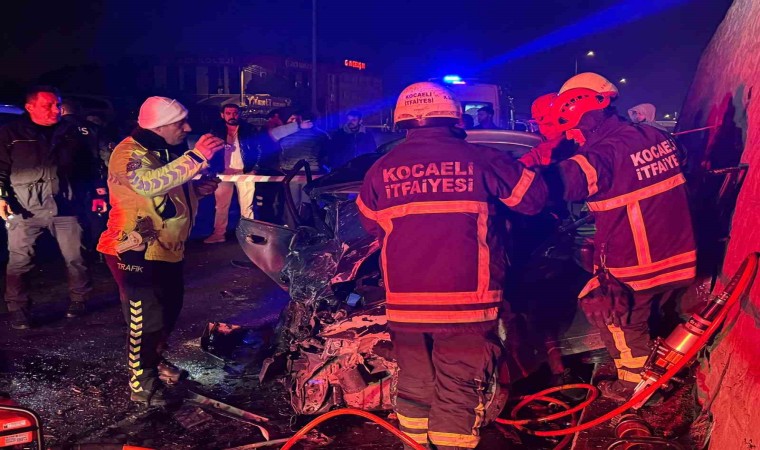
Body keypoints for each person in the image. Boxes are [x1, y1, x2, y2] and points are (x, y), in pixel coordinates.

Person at [357, 82, 547, 449]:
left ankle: (414, 445)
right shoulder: (481, 159)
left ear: (401, 121)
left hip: (405, 303)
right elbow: (534, 200)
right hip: (466, 301)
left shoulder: (381, 169)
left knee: (415, 382)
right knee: (459, 386)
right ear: (456, 116)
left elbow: (370, 223)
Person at [545, 73, 696, 402]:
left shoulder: (603, 153)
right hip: (679, 251)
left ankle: (638, 389)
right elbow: (676, 163)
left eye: (572, 127)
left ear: (580, 110)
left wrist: (523, 168)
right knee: (647, 316)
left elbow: (557, 185)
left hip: (637, 259)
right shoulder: (656, 135)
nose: (571, 135)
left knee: (617, 319)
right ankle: (653, 369)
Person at [97, 96, 226, 406]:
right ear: (160, 126)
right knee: (146, 320)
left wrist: (196, 190)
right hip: (134, 250)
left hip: (166, 248)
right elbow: (147, 185)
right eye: (181, 123)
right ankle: (142, 383)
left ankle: (153, 362)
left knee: (168, 311)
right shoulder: (128, 153)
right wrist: (197, 156)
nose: (188, 128)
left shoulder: (162, 150)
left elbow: (165, 193)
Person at [0, 86, 106, 329]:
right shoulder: (10, 133)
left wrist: (98, 193)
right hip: (24, 207)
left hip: (67, 205)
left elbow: (90, 166)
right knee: (19, 261)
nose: (55, 110)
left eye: (57, 104)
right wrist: (2, 197)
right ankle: (18, 308)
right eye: (48, 105)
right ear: (30, 107)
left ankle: (79, 299)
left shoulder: (72, 132)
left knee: (76, 257)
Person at [279, 112, 330, 219]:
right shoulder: (321, 135)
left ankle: (292, 227)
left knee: (292, 204)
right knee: (308, 204)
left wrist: (283, 166)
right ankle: (308, 226)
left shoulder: (287, 134)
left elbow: (282, 152)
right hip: (312, 173)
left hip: (291, 173)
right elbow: (326, 154)